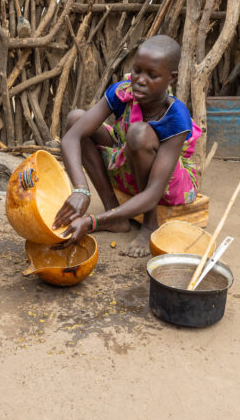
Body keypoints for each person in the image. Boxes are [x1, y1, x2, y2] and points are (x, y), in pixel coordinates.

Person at [52, 35, 201, 257]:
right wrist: (81, 190)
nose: (140, 80)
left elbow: (152, 193)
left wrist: (91, 222)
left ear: (171, 78)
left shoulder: (176, 116)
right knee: (76, 118)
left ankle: (150, 225)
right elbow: (71, 137)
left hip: (169, 184)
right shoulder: (123, 92)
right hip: (130, 160)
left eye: (152, 75)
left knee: (138, 133)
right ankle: (114, 214)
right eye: (137, 70)